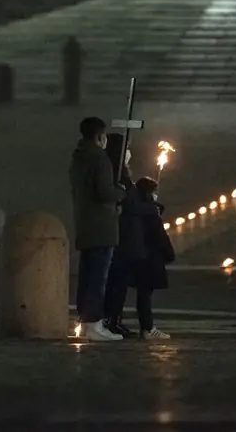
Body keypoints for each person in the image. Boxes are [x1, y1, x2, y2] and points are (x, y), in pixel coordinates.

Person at [69, 116, 126, 342]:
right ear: (100, 136)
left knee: (87, 275)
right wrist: (120, 191)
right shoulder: (100, 158)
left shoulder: (78, 158)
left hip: (84, 222)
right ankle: (93, 323)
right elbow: (105, 193)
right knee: (98, 277)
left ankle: (85, 321)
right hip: (102, 224)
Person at [128, 177, 175, 340]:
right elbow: (160, 236)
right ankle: (147, 328)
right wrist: (169, 254)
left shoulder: (135, 210)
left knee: (142, 294)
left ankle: (145, 327)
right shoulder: (150, 213)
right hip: (150, 258)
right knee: (145, 295)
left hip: (138, 255)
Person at [101, 132, 137, 337]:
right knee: (115, 281)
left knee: (120, 282)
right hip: (119, 235)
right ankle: (110, 319)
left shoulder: (122, 173)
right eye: (127, 149)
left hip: (126, 235)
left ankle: (116, 318)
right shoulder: (115, 174)